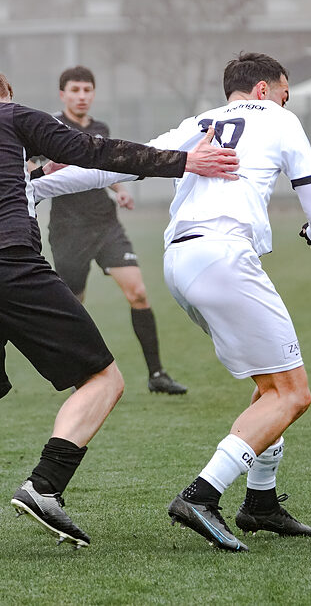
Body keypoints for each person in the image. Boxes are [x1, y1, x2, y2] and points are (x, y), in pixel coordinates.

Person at [0, 62, 239, 559]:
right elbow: (93, 150)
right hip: (9, 263)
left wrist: (33, 172)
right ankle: (45, 485)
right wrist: (185, 161)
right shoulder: (7, 114)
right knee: (104, 380)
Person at [32, 52, 311, 552]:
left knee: (270, 383)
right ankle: (202, 495)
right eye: (286, 92)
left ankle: (260, 502)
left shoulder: (199, 123)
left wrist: (35, 185)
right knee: (292, 393)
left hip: (179, 262)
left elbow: (114, 167)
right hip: (223, 257)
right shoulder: (281, 120)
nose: (287, 101)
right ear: (265, 90)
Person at [43, 66, 186, 395]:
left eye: (87, 90)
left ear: (94, 94)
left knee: (138, 292)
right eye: (75, 90)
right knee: (74, 306)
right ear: (62, 94)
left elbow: (105, 166)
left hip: (105, 224)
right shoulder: (49, 129)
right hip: (68, 230)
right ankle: (80, 376)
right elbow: (32, 166)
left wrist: (119, 190)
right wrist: (44, 169)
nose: (82, 96)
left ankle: (157, 374)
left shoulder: (100, 129)